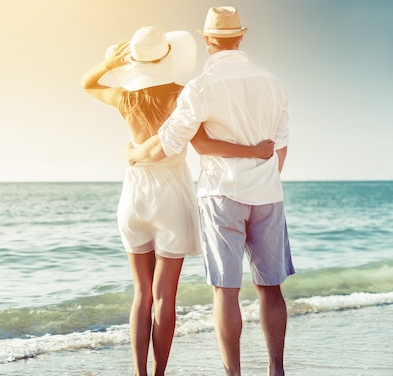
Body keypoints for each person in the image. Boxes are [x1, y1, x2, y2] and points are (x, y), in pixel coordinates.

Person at [81, 25, 275, 376]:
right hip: (171, 193)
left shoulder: (126, 97)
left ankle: (140, 374)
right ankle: (158, 374)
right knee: (164, 296)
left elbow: (88, 84)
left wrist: (108, 63)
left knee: (141, 293)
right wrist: (254, 150)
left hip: (135, 194)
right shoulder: (181, 95)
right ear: (167, 58)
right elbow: (202, 145)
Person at [127, 7, 295, 376]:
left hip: (221, 194)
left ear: (207, 40)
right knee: (271, 288)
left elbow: (170, 142)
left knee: (225, 290)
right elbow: (280, 145)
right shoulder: (273, 82)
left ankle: (233, 373)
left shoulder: (201, 87)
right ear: (242, 36)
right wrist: (261, 175)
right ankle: (276, 370)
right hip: (268, 194)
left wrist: (136, 154)